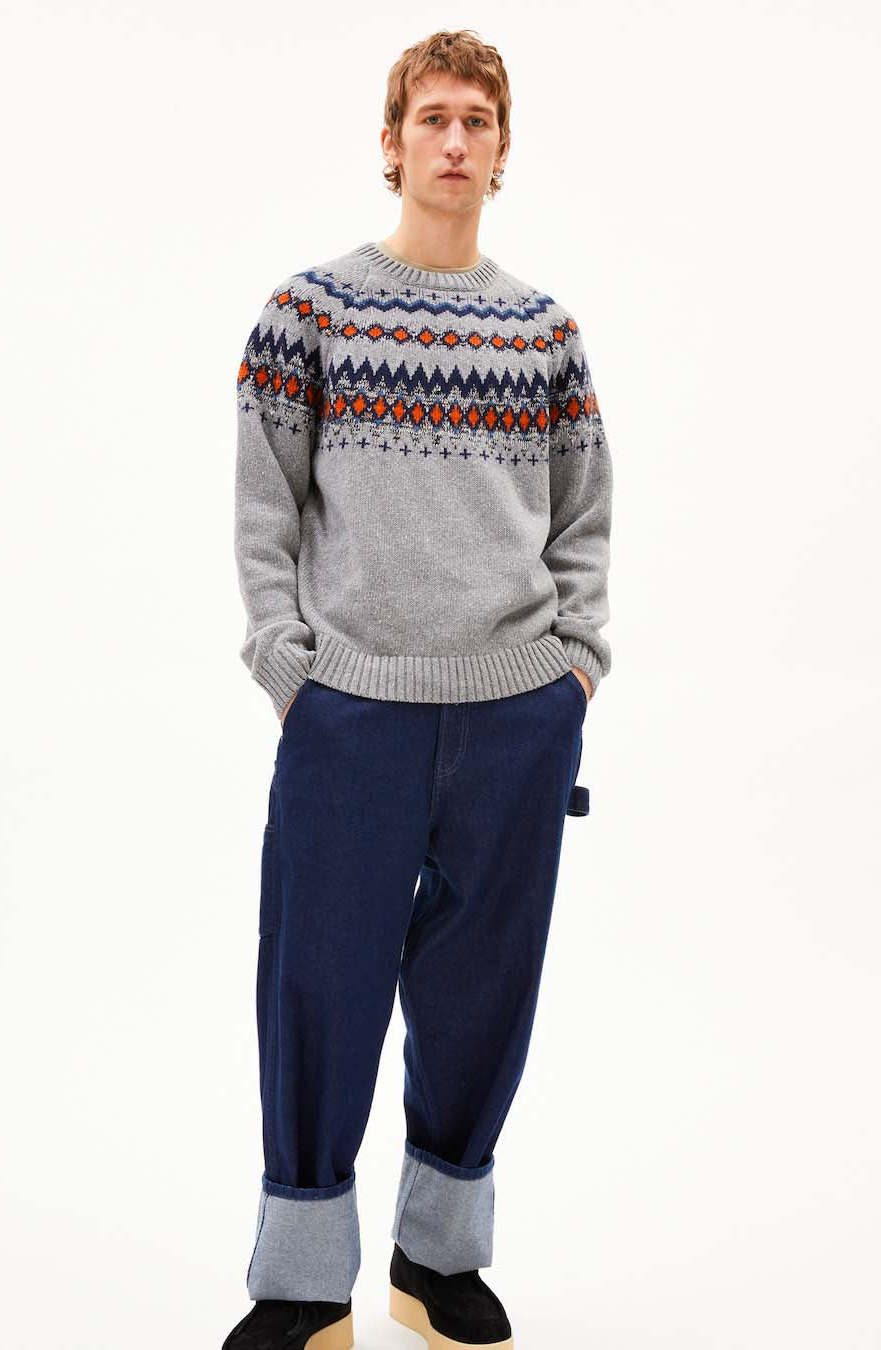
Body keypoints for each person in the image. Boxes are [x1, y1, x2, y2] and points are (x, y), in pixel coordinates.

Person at [224, 27, 614, 1350]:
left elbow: (584, 516)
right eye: (432, 118)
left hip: (516, 710)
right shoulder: (311, 314)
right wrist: (289, 666)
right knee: (317, 988)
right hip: (350, 709)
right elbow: (265, 507)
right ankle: (300, 1282)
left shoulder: (545, 332)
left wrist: (575, 668)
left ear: (503, 152)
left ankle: (434, 1263)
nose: (455, 141)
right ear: (390, 143)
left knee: (481, 993)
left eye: (476, 122)